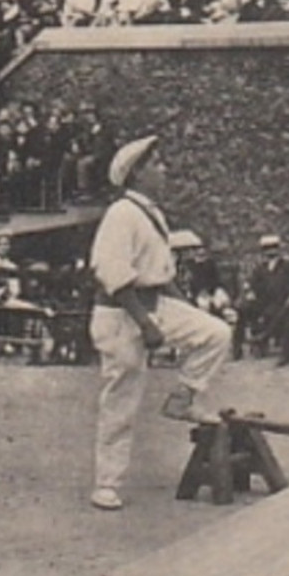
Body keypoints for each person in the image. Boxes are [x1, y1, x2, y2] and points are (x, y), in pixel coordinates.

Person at [87, 136, 232, 512]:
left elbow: (162, 275)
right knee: (123, 396)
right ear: (137, 173)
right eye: (157, 164)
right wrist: (145, 324)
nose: (164, 169)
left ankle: (184, 397)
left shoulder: (152, 213)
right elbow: (112, 272)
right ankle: (107, 483)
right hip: (121, 312)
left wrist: (186, 313)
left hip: (155, 303)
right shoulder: (121, 213)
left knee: (216, 332)